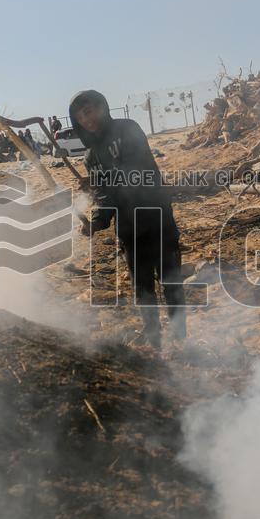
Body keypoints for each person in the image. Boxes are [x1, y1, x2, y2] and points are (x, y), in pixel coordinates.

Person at [69, 89, 186, 349]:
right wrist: (96, 221)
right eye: (80, 117)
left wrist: (102, 180)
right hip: (129, 228)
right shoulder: (90, 157)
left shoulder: (128, 129)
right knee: (142, 285)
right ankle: (153, 338)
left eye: (89, 111)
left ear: (102, 107)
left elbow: (138, 172)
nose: (87, 120)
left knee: (170, 280)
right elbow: (105, 198)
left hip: (157, 215)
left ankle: (181, 338)